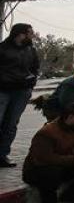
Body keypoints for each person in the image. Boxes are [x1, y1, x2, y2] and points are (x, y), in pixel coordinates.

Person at [0, 23, 39, 167]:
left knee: (11, 124)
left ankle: (2, 155)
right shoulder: (3, 49)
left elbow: (35, 68)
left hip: (21, 92)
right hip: (3, 90)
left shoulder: (31, 50)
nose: (32, 35)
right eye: (30, 32)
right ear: (20, 34)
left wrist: (31, 82)